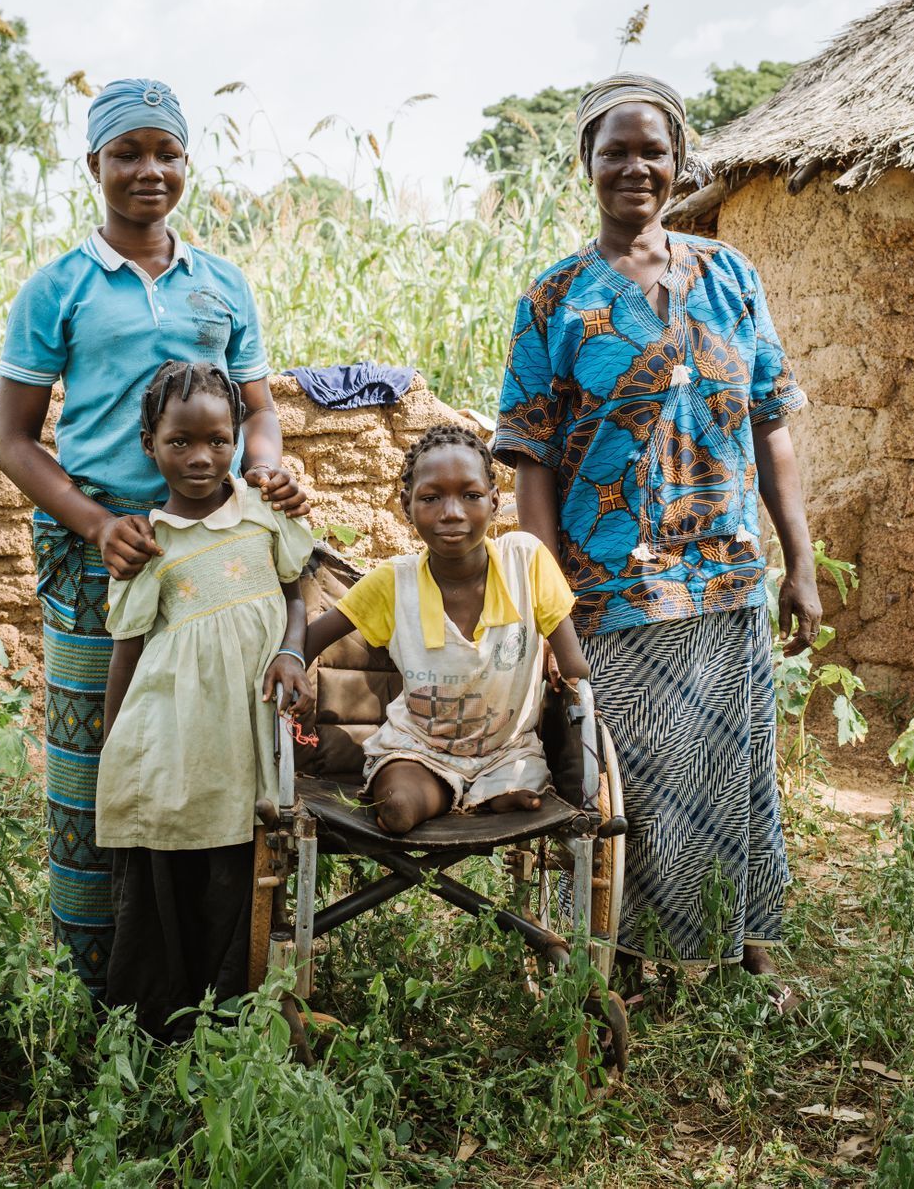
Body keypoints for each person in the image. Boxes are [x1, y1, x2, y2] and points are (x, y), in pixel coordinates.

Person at [492, 74, 819, 1007]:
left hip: (724, 576)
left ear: (679, 165)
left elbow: (771, 423)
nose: (636, 167)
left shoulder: (731, 277)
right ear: (587, 166)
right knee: (619, 783)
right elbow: (530, 459)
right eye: (616, 152)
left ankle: (744, 951)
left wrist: (799, 563)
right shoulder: (554, 298)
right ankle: (622, 960)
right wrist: (548, 595)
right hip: (607, 590)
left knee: (733, 764)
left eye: (654, 151)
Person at [0, 77, 307, 1001]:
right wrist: (96, 523)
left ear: (186, 163)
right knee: (107, 753)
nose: (148, 171)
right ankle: (102, 979)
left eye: (165, 152)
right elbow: (13, 440)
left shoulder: (222, 284)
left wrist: (268, 467)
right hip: (109, 558)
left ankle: (220, 973)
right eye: (126, 153)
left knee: (221, 755)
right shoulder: (59, 288)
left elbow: (258, 411)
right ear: (93, 165)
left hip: (221, 555)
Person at [95, 361, 313, 1038]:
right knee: (172, 857)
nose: (200, 457)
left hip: (246, 728)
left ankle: (232, 1019)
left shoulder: (266, 515)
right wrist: (111, 749)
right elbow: (129, 649)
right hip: (174, 732)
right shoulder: (146, 542)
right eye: (179, 442)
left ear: (240, 439)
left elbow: (295, 594)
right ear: (148, 444)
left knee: (239, 865)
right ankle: (160, 1029)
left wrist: (291, 650)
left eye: (218, 441)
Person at [285, 424, 590, 836]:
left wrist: (567, 682)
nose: (452, 512)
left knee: (526, 791)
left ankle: (490, 790)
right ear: (407, 505)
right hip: (419, 750)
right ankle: (457, 793)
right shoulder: (395, 582)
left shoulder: (526, 562)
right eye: (431, 498)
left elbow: (574, 667)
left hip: (507, 753)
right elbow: (311, 641)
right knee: (397, 809)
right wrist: (290, 662)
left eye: (471, 496)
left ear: (495, 501)